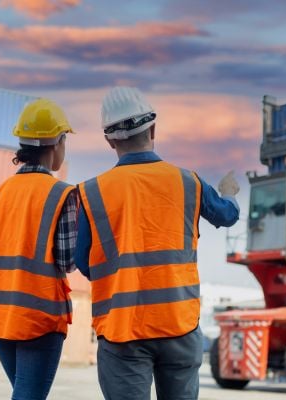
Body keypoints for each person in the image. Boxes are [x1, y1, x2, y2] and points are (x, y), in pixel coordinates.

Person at [75, 86, 240, 400]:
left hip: (122, 328)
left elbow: (83, 261)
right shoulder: (187, 181)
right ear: (153, 129)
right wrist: (229, 191)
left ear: (109, 140)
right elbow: (226, 215)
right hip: (178, 324)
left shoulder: (92, 192)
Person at [0, 98, 77, 400]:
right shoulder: (63, 194)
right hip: (38, 317)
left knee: (24, 392)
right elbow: (68, 260)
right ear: (58, 142)